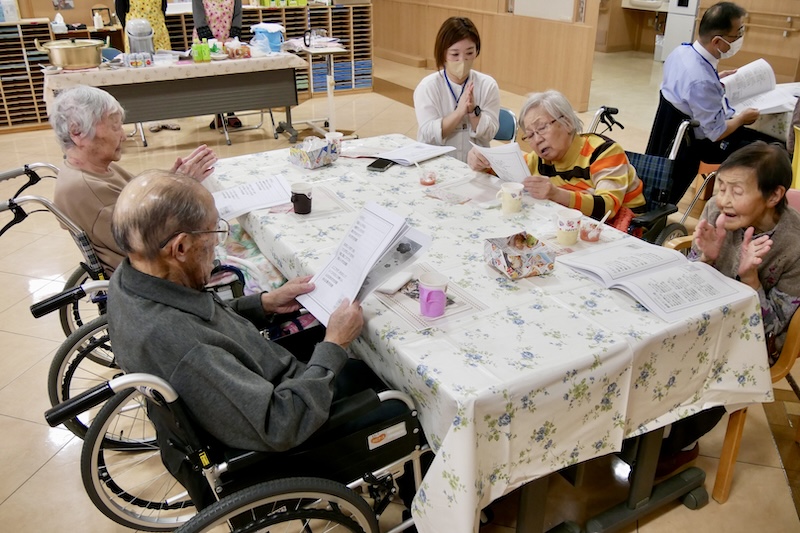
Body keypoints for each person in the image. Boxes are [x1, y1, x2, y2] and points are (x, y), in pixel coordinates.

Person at [107, 169, 403, 455]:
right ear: (180, 247)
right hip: (291, 418)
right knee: (400, 391)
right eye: (213, 235)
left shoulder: (130, 279)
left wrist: (264, 303)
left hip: (262, 379)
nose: (216, 245)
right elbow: (280, 424)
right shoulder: (186, 348)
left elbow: (203, 322)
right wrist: (335, 344)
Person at [657, 142, 800, 477]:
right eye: (721, 187)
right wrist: (704, 258)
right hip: (705, 314)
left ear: (774, 195)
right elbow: (692, 280)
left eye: (737, 191)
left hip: (752, 339)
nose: (723, 200)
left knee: (713, 359)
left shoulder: (794, 245)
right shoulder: (716, 211)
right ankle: (642, 431)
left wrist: (750, 279)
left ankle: (679, 444)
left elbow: (774, 330)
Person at [49, 85, 217, 274]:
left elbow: (141, 201)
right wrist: (182, 187)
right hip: (151, 274)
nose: (123, 136)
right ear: (77, 132)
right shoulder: (84, 189)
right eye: (115, 127)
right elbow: (150, 240)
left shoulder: (98, 168)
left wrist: (172, 180)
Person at [654, 2, 779, 202]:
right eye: (737, 35)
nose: (740, 38)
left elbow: (687, 88)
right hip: (700, 145)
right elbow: (717, 132)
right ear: (717, 41)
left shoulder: (681, 52)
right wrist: (742, 119)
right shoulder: (702, 81)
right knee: (773, 151)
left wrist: (716, 80)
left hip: (673, 135)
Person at [467, 90, 645, 224]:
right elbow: (505, 172)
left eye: (542, 128)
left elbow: (607, 208)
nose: (537, 140)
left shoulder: (604, 152)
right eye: (530, 135)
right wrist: (482, 161)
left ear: (567, 122)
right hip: (574, 224)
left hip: (623, 228)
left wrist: (556, 194)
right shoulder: (540, 159)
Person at [413, 16, 499, 163]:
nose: (462, 60)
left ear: (477, 51)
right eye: (455, 54)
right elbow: (428, 135)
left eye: (469, 53)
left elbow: (490, 133)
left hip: (476, 167)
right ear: (443, 54)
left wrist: (473, 112)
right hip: (437, 165)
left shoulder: (487, 85)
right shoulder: (427, 87)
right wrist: (459, 113)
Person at [193, 0, 243, 129]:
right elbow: (198, 16)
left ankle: (231, 113)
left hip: (228, 39)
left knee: (231, 77)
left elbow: (237, 14)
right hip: (206, 41)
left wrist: (233, 36)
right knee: (213, 79)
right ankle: (218, 114)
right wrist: (211, 41)